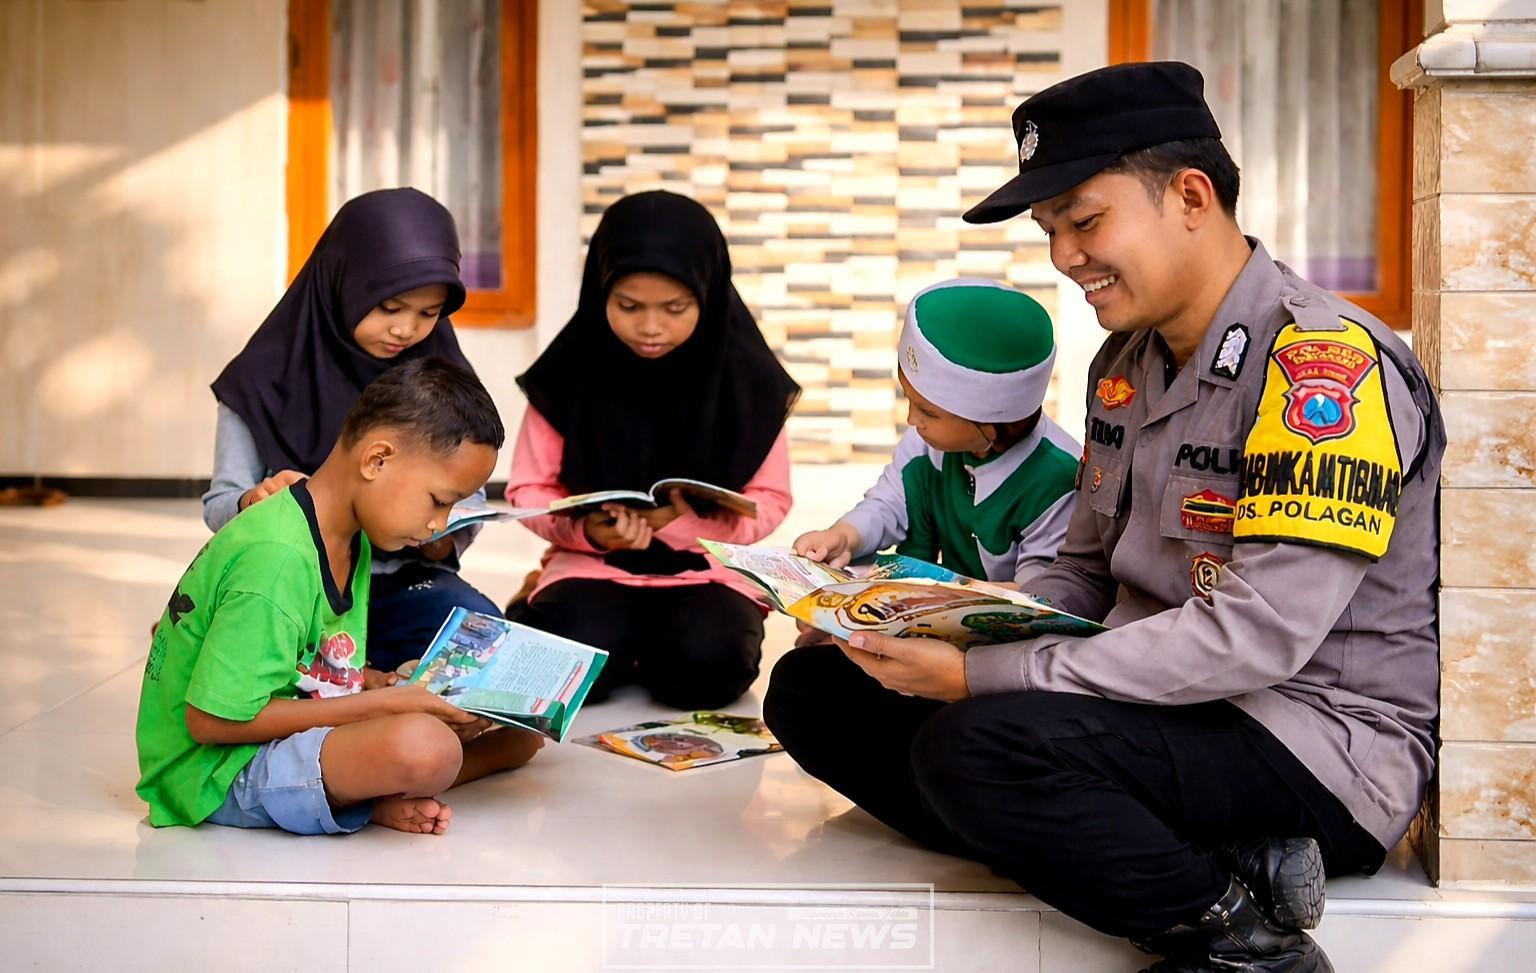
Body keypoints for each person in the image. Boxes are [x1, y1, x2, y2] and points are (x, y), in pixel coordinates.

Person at [764, 61, 1445, 973]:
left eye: (1085, 221)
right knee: (819, 690)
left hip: (1306, 739)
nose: (1064, 257)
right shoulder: (1123, 366)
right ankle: (1221, 861)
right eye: (1053, 232)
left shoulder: (1322, 367)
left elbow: (1256, 638)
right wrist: (943, 624)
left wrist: (986, 679)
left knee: (977, 747)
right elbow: (1082, 572)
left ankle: (1237, 940)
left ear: (1192, 196)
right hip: (1152, 709)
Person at [136, 358, 543, 836]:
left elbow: (310, 663)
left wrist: (379, 682)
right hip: (213, 769)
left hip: (284, 730)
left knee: (520, 734)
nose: (440, 525)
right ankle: (370, 797)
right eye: (439, 500)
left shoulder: (354, 534)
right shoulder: (277, 557)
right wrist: (388, 706)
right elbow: (211, 722)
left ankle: (365, 790)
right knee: (424, 748)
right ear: (377, 460)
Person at [505, 190, 799, 710]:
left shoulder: (748, 381)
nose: (650, 327)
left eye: (675, 307)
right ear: (600, 295)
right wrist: (587, 531)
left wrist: (686, 524)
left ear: (708, 295)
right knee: (569, 680)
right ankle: (551, 599)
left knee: (705, 673)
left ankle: (646, 640)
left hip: (707, 571)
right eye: (628, 306)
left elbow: (771, 499)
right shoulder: (567, 376)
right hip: (593, 566)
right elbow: (528, 490)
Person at [205, 188, 501, 673]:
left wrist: (441, 534)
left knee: (485, 640)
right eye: (390, 307)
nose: (406, 330)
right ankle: (355, 680)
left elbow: (467, 499)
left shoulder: (442, 376)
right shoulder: (261, 379)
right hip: (297, 584)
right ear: (343, 280)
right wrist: (254, 500)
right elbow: (220, 504)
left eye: (429, 314)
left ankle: (356, 676)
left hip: (397, 583)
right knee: (261, 652)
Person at [792, 277, 1078, 584]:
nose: (912, 419)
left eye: (928, 412)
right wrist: (844, 536)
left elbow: (1038, 594)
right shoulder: (926, 444)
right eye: (908, 399)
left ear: (992, 422)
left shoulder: (1057, 480)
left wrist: (941, 595)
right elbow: (888, 503)